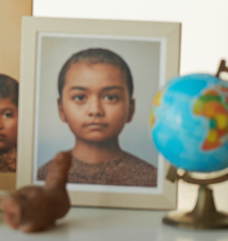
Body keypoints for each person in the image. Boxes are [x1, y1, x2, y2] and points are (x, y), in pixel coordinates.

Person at [36, 47, 159, 188]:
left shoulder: (149, 178)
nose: (95, 110)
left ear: (131, 109)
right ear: (61, 109)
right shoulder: (45, 176)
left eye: (110, 97)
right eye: (80, 97)